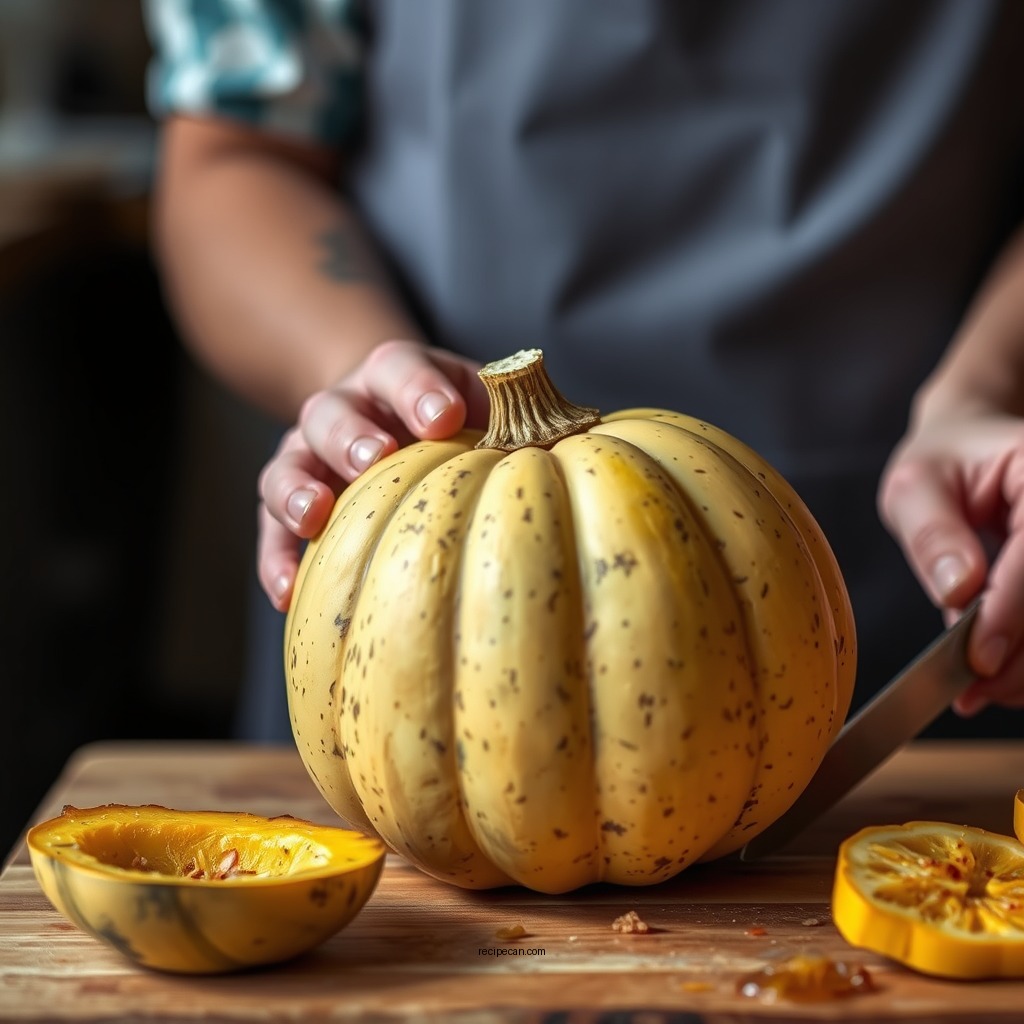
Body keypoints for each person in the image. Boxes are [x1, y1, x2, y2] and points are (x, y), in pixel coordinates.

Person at [143, 0, 1024, 742]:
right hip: (429, 556)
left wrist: (992, 384)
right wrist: (363, 382)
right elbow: (235, 152)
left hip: (918, 561)